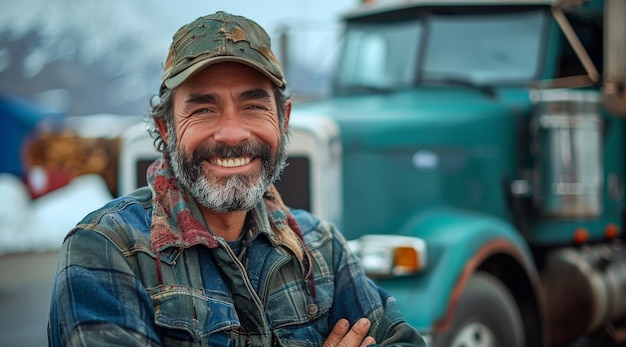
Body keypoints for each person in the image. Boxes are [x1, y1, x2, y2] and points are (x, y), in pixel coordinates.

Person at [48, 11, 426, 347]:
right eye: (204, 108)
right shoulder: (108, 249)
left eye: (253, 106)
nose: (231, 133)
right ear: (166, 128)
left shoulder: (321, 248)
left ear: (284, 120)